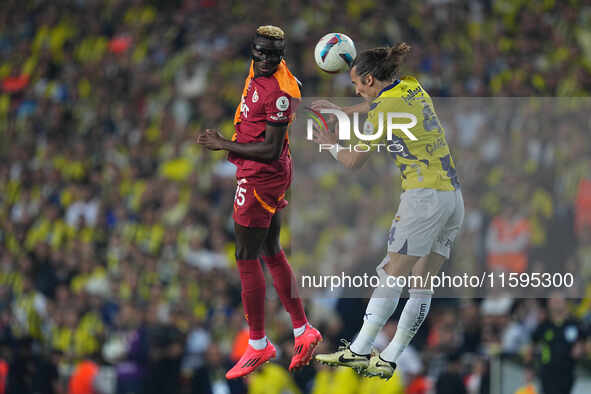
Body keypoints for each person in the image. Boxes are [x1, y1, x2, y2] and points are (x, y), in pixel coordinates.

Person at [313, 43, 464, 380]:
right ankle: (390, 356)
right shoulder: (412, 86)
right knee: (422, 285)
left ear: (369, 79)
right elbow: (378, 102)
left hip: (423, 196)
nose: (355, 90)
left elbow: (353, 161)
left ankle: (359, 350)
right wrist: (346, 111)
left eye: (356, 84)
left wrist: (327, 142)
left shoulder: (382, 113)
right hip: (453, 198)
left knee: (391, 274)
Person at [197, 25, 322, 379]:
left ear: (282, 55)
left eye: (273, 55)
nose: (265, 60)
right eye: (260, 52)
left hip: (261, 174)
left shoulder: (280, 93)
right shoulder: (260, 67)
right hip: (263, 172)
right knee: (270, 248)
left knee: (245, 255)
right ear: (253, 50)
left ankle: (258, 342)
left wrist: (225, 144)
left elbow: (268, 150)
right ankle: (302, 329)